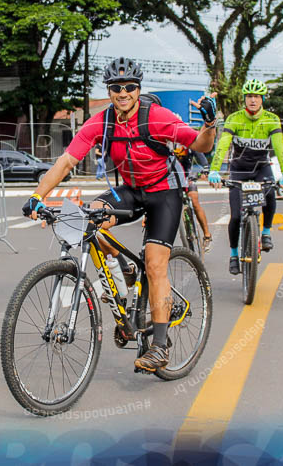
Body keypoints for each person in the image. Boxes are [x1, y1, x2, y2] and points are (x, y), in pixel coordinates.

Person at [22, 57, 218, 373]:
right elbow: (65, 162)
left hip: (163, 194)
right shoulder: (100, 122)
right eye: (116, 87)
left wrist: (209, 125)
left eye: (129, 87)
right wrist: (35, 197)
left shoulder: (156, 117)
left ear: (138, 90)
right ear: (109, 90)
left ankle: (160, 347)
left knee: (155, 265)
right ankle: (123, 266)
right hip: (129, 189)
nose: (123, 92)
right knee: (86, 219)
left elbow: (199, 143)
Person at [208, 80, 283, 275]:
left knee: (270, 195)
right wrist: (215, 170)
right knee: (236, 216)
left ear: (262, 99)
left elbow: (279, 148)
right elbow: (222, 145)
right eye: (249, 97)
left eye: (256, 97)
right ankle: (234, 254)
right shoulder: (234, 119)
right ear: (244, 99)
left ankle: (266, 232)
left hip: (262, 167)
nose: (252, 100)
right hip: (239, 169)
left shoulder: (272, 119)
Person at [174, 145, 213, 252]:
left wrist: (205, 168)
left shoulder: (188, 142)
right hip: (171, 179)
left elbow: (201, 158)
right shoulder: (166, 142)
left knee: (194, 201)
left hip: (187, 177)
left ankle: (207, 235)